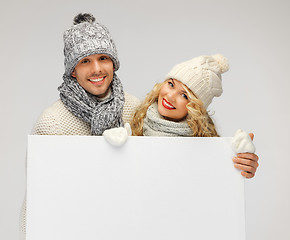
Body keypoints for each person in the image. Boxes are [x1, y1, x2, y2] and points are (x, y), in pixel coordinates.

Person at [20, 12, 140, 240]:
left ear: (113, 62)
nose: (97, 69)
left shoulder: (135, 109)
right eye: (85, 61)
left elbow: (168, 159)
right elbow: (36, 201)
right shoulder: (52, 122)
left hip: (125, 228)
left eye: (103, 58)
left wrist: (225, 158)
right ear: (73, 70)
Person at [130, 54, 259, 178]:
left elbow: (218, 179)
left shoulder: (205, 142)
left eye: (184, 95)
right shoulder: (134, 117)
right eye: (171, 84)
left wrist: (242, 164)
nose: (170, 96)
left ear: (195, 108)